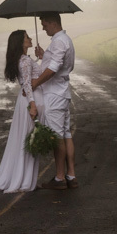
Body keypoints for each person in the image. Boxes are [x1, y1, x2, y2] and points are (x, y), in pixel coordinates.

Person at [0, 29, 45, 193]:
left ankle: (27, 179)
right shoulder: (24, 61)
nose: (30, 38)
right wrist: (32, 104)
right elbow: (27, 84)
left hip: (26, 100)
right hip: (29, 101)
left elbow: (30, 78)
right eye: (27, 37)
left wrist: (40, 59)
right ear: (20, 43)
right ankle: (25, 180)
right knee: (30, 139)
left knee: (28, 139)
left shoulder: (25, 59)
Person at [31, 12, 77, 189]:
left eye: (44, 24)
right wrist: (44, 55)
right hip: (62, 92)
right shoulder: (65, 40)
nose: (42, 27)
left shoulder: (58, 41)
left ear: (53, 23)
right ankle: (71, 175)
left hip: (54, 94)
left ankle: (59, 178)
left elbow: (53, 68)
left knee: (57, 136)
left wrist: (36, 82)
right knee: (66, 134)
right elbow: (60, 63)